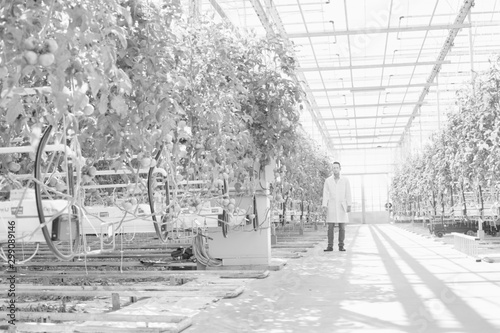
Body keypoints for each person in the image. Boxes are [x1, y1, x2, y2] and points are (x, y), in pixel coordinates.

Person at [322, 161, 352, 252]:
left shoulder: (345, 180)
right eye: (333, 168)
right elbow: (325, 193)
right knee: (330, 227)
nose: (335, 169)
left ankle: (341, 246)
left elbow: (348, 193)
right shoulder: (328, 180)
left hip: (342, 206)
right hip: (331, 205)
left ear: (340, 168)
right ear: (332, 169)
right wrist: (324, 205)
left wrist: (349, 204)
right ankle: (330, 246)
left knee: (342, 227)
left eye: (337, 168)